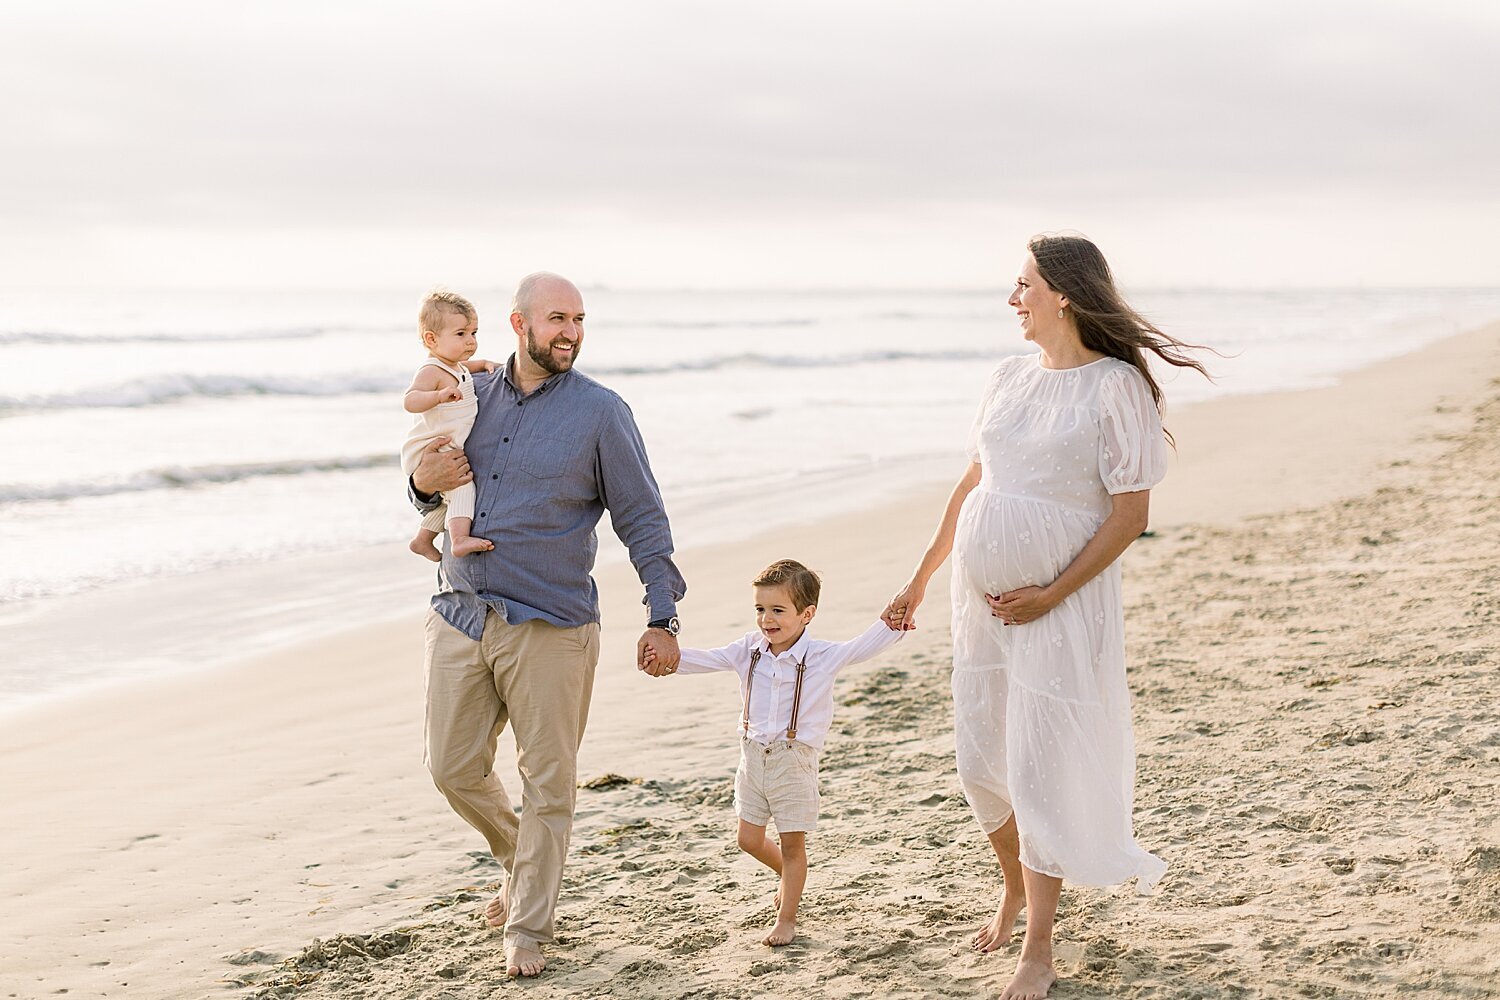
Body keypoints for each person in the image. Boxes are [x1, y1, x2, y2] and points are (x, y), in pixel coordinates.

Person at [882, 235, 1210, 1000]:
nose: (1011, 299)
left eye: (1022, 284)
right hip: (982, 609)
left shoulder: (1115, 388)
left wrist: (1051, 593)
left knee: (1037, 767)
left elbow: (1130, 515)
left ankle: (1039, 946)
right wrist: (921, 577)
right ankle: (1016, 885)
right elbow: (974, 481)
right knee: (980, 762)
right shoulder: (1006, 377)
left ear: (1061, 292)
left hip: (1060, 611)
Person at [408, 272, 687, 979]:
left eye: (580, 319)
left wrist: (662, 613)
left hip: (552, 623)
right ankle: (518, 859)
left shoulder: (601, 413)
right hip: (462, 611)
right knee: (451, 768)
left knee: (549, 785)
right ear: (518, 323)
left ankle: (527, 927)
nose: (571, 331)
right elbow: (426, 479)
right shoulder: (471, 392)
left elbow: (643, 519)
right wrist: (421, 487)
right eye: (557, 318)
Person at [644, 559, 902, 946]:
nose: (767, 620)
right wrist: (666, 660)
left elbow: (861, 648)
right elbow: (707, 659)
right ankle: (789, 876)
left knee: (793, 844)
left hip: (794, 761)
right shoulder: (749, 650)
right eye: (760, 610)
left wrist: (895, 622)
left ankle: (787, 917)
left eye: (778, 610)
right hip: (752, 757)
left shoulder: (821, 656)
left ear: (807, 614)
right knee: (747, 839)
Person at [400, 289, 498, 561]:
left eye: (474, 333)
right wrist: (438, 396)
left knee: (451, 500)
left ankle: (423, 539)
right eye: (461, 334)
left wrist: (487, 364)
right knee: (464, 487)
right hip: (431, 449)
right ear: (431, 339)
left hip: (448, 447)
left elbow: (470, 365)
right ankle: (459, 539)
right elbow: (410, 400)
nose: (470, 341)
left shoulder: (457, 366)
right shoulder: (432, 371)